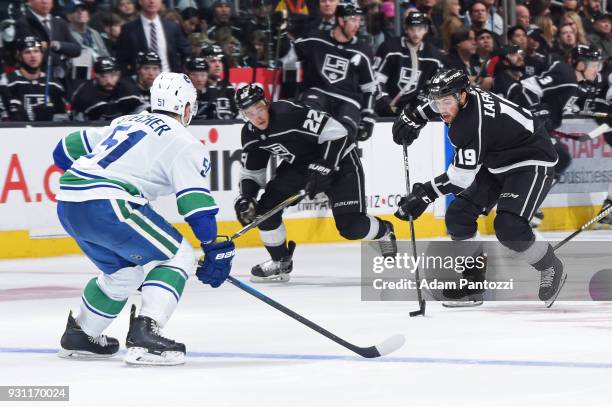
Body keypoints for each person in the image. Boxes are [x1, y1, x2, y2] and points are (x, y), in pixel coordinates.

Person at [53, 72, 234, 365]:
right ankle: (146, 335)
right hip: (109, 204)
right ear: (187, 108)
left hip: (69, 203)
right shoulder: (184, 142)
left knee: (125, 273)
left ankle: (83, 333)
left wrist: (94, 179)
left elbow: (64, 149)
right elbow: (195, 204)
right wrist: (212, 245)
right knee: (179, 256)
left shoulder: (124, 122)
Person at [391, 69, 566, 308]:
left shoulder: (471, 123)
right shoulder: (461, 100)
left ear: (463, 96)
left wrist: (424, 195)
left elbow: (460, 178)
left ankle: (550, 266)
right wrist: (414, 115)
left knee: (509, 227)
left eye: (447, 102)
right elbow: (439, 102)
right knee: (459, 215)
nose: (442, 108)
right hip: (497, 161)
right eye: (437, 102)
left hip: (532, 160)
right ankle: (473, 283)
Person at [234, 84, 397, 282]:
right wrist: (246, 198)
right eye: (250, 113)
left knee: (352, 227)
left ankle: (384, 231)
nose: (257, 117)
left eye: (259, 108)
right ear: (243, 115)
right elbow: (253, 171)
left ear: (266, 103)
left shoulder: (289, 113)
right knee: (265, 211)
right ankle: (280, 262)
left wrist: (325, 166)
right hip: (301, 167)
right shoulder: (250, 134)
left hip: (340, 160)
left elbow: (339, 134)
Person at [288, 1, 377, 142]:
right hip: (318, 93)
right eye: (353, 20)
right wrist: (281, 40)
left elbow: (370, 88)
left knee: (344, 136)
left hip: (349, 100)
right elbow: (289, 58)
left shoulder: (363, 50)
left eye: (359, 20)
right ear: (341, 20)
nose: (357, 25)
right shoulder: (316, 39)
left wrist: (368, 116)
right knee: (309, 120)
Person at [374, 12, 444, 116]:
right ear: (406, 29)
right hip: (388, 107)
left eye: (420, 29)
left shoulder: (433, 55)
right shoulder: (390, 48)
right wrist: (385, 101)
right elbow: (377, 79)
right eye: (412, 29)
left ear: (425, 30)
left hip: (413, 110)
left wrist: (419, 105)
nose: (416, 33)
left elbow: (434, 87)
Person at [0, 35, 67, 122]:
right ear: (19, 56)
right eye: (27, 52)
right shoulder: (7, 82)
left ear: (42, 55)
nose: (33, 55)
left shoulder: (54, 84)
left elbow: (64, 120)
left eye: (36, 51)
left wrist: (51, 118)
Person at [115, 0, 191, 74]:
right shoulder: (129, 29)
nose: (152, 1)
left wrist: (181, 73)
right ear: (140, 1)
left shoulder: (172, 27)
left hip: (170, 80)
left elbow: (186, 52)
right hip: (140, 83)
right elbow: (121, 60)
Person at [15, 0, 81, 83]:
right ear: (29, 2)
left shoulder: (59, 23)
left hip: (62, 78)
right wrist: (41, 45)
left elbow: (77, 49)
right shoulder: (23, 23)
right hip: (37, 78)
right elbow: (26, 47)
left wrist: (57, 45)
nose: (44, 1)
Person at [71, 56, 145, 121]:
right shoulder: (84, 95)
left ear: (118, 74)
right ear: (96, 75)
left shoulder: (129, 90)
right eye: (103, 76)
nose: (109, 81)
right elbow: (75, 123)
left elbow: (143, 110)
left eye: (113, 75)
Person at [200, 43, 237, 119]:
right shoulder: (198, 87)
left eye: (220, 61)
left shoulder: (228, 87)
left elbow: (236, 112)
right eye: (213, 61)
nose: (217, 65)